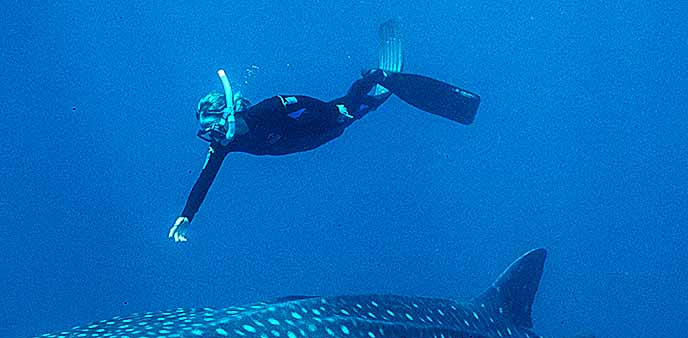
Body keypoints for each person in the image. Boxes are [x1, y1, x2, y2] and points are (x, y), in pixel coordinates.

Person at [169, 21, 478, 242]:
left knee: (359, 106)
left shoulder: (262, 110)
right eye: (206, 131)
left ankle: (374, 77)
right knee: (367, 108)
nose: (213, 134)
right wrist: (187, 215)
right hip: (308, 141)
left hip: (321, 123)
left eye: (214, 125)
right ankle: (374, 87)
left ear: (227, 113)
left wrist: (332, 113)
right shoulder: (223, 145)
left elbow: (301, 101)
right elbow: (204, 181)